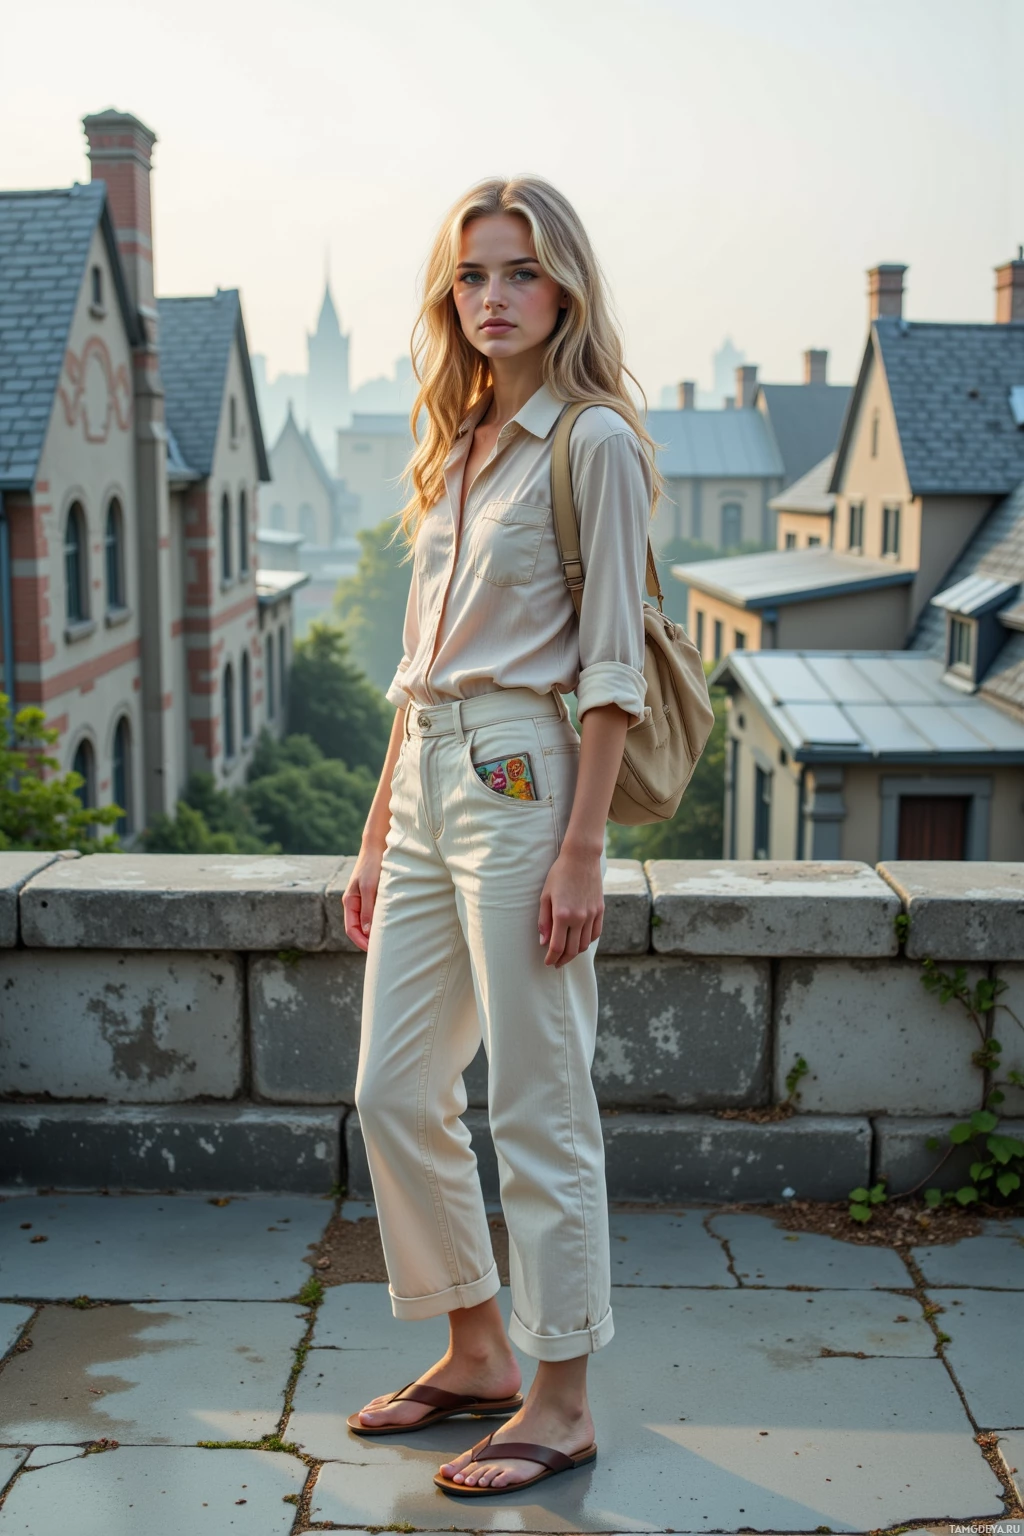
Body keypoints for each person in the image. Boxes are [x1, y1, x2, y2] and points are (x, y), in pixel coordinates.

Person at [341, 174, 659, 1498]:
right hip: (424, 781)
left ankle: (564, 1395)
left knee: (536, 1102)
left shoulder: (593, 442)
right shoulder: (459, 445)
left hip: (530, 781)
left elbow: (612, 667)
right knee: (395, 1089)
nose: (492, 298)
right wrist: (374, 832)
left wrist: (584, 847)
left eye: (518, 273)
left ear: (565, 287)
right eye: (472, 276)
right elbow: (420, 667)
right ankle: (475, 1347)